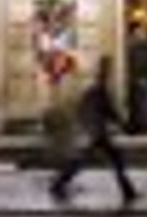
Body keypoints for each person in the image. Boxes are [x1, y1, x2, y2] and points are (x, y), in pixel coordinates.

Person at [50, 55, 139, 204]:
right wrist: (125, 126)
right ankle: (58, 184)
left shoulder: (95, 87)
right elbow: (109, 112)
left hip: (93, 131)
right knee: (104, 160)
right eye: (108, 70)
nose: (110, 75)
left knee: (108, 159)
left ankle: (128, 190)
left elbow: (97, 110)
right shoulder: (98, 88)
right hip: (95, 132)